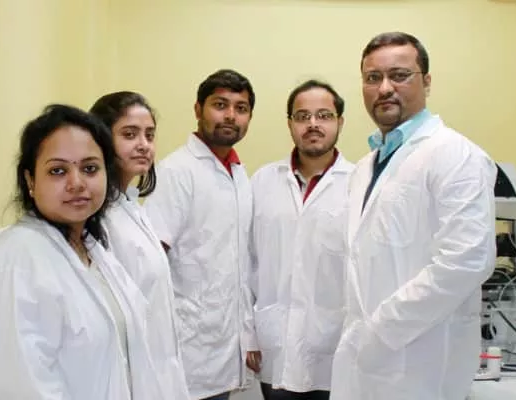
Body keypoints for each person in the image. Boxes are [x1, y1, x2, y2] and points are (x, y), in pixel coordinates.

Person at [330, 32, 497, 400]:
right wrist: (366, 335)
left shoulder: (455, 155)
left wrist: (381, 329)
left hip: (421, 366)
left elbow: (467, 261)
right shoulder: (365, 167)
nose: (384, 88)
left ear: (427, 82)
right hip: (365, 362)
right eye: (373, 78)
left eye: (400, 75)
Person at [0, 104, 167, 399]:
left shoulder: (91, 248)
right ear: (31, 181)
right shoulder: (17, 261)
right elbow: (20, 387)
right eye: (58, 171)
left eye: (90, 168)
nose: (77, 183)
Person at [143, 69, 258, 400]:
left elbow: (237, 264)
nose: (230, 115)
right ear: (198, 109)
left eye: (241, 108)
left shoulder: (238, 174)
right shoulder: (176, 172)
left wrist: (247, 334)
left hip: (224, 346)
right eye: (220, 105)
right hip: (186, 348)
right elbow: (151, 262)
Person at [250, 80, 353, 400]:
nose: (313, 124)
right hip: (274, 345)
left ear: (340, 122)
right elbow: (247, 261)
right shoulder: (262, 181)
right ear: (290, 123)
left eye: (324, 115)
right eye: (302, 116)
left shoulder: (359, 184)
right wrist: (247, 333)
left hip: (335, 348)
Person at [90, 91, 191, 399]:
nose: (144, 145)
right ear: (101, 139)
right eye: (129, 134)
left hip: (157, 366)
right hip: (129, 376)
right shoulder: (98, 218)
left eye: (149, 135)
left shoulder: (131, 207)